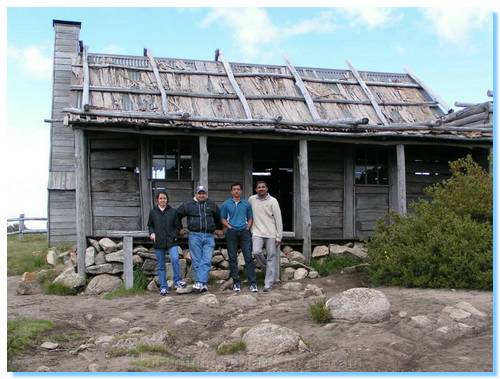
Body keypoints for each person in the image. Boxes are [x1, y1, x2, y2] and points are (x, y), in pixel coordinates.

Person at [177, 185, 223, 293]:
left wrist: (219, 229)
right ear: (196, 194)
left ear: (206, 194)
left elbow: (218, 217)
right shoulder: (188, 205)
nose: (201, 195)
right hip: (194, 235)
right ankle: (202, 284)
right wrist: (179, 229)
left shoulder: (212, 204)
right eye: (199, 193)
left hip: (209, 236)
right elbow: (177, 215)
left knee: (206, 260)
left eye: (203, 193)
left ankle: (200, 282)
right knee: (197, 260)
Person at [220, 183, 258, 293]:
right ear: (231, 191)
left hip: (244, 232)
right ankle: (236, 282)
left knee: (248, 257)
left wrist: (248, 227)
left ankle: (252, 283)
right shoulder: (226, 204)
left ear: (241, 191)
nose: (236, 191)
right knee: (232, 257)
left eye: (238, 189)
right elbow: (222, 218)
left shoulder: (246, 204)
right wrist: (228, 226)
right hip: (231, 232)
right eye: (234, 189)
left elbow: (250, 217)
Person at [147, 190, 187, 296]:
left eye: (164, 198)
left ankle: (177, 281)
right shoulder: (153, 212)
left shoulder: (173, 212)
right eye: (160, 198)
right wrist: (152, 233)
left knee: (175, 259)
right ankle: (164, 287)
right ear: (157, 200)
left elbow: (178, 226)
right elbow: (150, 225)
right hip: (158, 242)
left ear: (167, 200)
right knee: (161, 265)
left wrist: (174, 235)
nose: (162, 200)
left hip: (171, 241)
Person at [248, 181, 283, 292]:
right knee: (256, 252)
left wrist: (279, 236)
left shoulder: (273, 201)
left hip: (271, 233)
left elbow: (278, 219)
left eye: (263, 187)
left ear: (267, 188)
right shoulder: (251, 199)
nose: (261, 189)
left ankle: (268, 284)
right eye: (259, 187)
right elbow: (248, 214)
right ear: (256, 189)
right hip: (257, 232)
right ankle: (269, 270)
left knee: (271, 257)